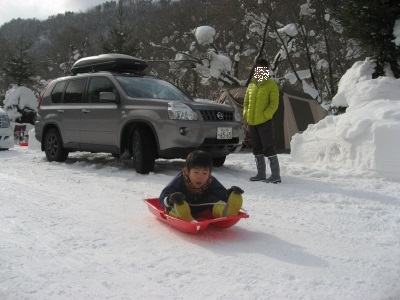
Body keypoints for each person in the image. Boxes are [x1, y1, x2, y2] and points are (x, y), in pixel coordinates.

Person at [159, 150, 244, 221]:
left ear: (209, 173)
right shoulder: (180, 180)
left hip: (202, 206)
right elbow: (163, 196)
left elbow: (220, 192)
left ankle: (225, 212)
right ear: (187, 171)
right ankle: (182, 215)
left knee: (213, 199)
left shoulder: (210, 181)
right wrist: (170, 199)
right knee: (175, 204)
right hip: (184, 204)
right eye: (196, 172)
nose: (200, 177)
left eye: (205, 173)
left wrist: (230, 194)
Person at [243, 58, 281, 183]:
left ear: (267, 70)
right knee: (256, 148)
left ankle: (275, 175)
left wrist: (266, 115)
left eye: (263, 68)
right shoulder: (251, 85)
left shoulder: (271, 84)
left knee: (268, 147)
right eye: (258, 68)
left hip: (264, 121)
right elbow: (246, 102)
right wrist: (246, 115)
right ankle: (261, 174)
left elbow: (274, 103)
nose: (260, 70)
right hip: (252, 122)